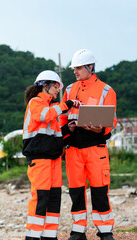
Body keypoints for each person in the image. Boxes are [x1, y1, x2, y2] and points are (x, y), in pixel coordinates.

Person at [59, 49, 117, 240]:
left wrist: (99, 129)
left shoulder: (106, 90)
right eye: (74, 68)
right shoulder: (68, 89)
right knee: (76, 191)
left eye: (78, 68)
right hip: (74, 148)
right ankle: (78, 230)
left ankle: (105, 231)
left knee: (100, 190)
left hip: (95, 148)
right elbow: (62, 118)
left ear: (90, 67)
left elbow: (111, 122)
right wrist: (68, 130)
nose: (75, 71)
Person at [22, 70, 79, 240]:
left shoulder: (52, 108)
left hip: (53, 159)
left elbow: (53, 135)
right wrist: (65, 105)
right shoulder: (36, 102)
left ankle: (49, 236)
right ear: (44, 86)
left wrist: (68, 129)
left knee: (54, 199)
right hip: (40, 159)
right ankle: (32, 236)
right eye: (55, 86)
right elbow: (45, 116)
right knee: (40, 198)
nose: (57, 90)